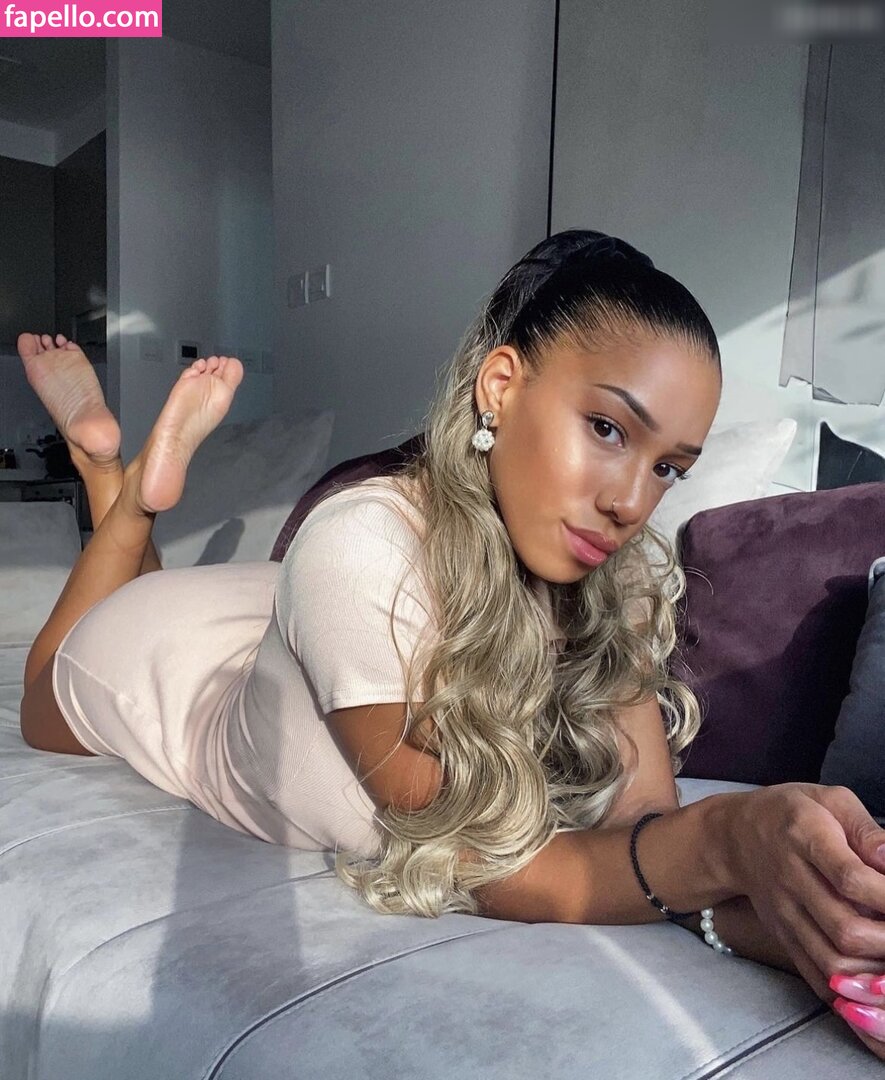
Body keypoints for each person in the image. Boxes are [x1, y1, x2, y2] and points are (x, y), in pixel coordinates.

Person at [16, 230, 885, 1060]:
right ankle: (119, 487)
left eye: (667, 468)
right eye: (608, 429)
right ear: (500, 385)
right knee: (43, 697)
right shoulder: (357, 541)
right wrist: (727, 839)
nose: (630, 501)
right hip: (167, 659)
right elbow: (472, 856)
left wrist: (805, 912)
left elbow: (642, 834)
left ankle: (127, 492)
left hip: (320, 629)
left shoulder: (603, 578)